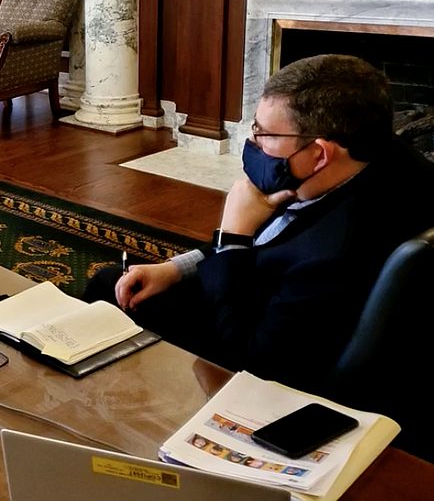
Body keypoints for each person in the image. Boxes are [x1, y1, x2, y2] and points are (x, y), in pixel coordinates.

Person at [84, 55, 434, 391]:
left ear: (320, 153)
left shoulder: (338, 251)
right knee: (119, 281)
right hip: (274, 289)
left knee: (109, 288)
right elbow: (275, 237)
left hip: (259, 339)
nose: (253, 143)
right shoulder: (378, 152)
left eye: (265, 134)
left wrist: (234, 233)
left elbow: (253, 364)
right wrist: (177, 269)